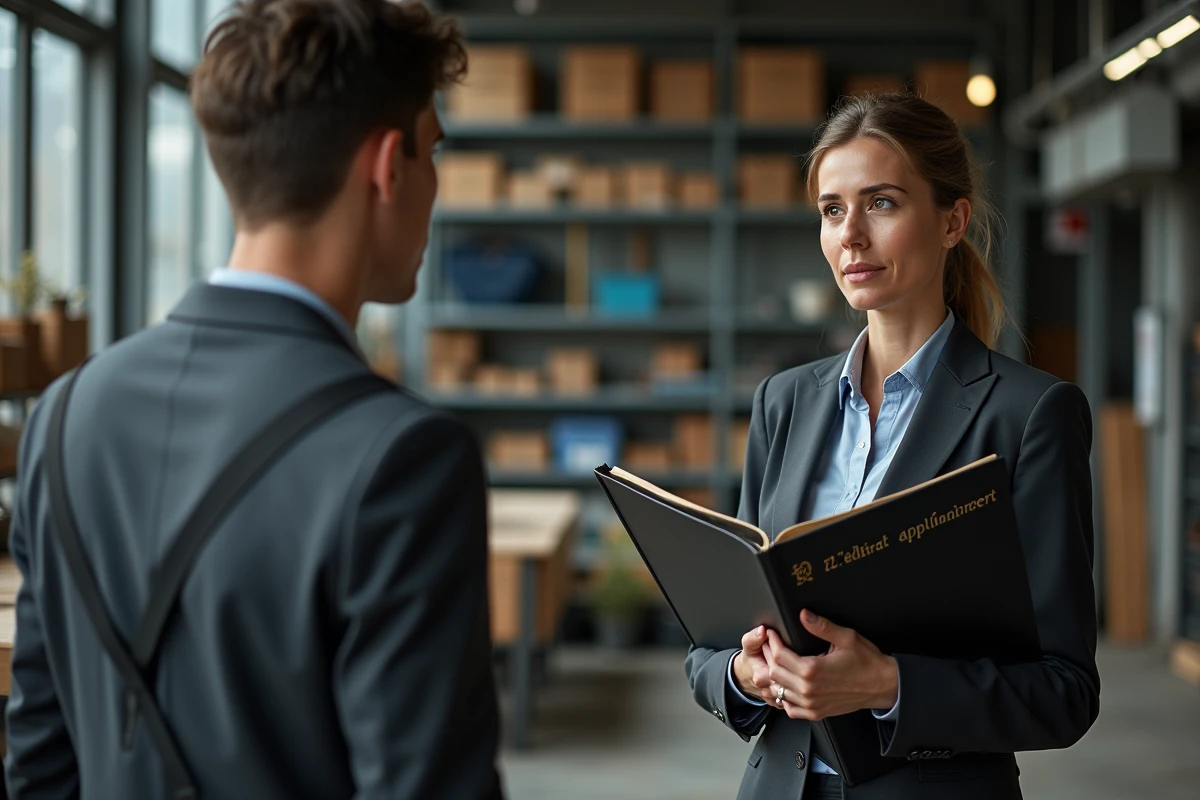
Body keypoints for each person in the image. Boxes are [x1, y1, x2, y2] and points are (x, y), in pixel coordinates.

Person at [4, 2, 505, 799]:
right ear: (388, 167)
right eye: (434, 149)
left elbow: (38, 765)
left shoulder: (63, 417)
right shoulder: (402, 458)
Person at [686, 93, 1100, 800]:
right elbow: (711, 643)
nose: (850, 237)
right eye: (831, 209)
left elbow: (1063, 691)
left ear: (951, 220)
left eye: (881, 204)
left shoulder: (1029, 416)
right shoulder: (783, 403)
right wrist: (740, 674)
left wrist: (886, 684)